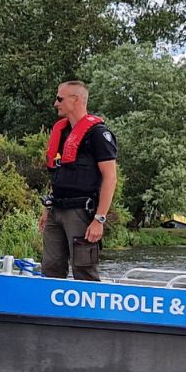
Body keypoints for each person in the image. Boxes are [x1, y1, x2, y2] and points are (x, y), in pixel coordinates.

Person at [40, 80, 118, 281]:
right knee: (50, 267)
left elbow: (110, 178)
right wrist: (46, 209)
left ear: (75, 100)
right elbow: (56, 174)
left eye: (59, 99)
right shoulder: (61, 132)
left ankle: (88, 312)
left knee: (84, 271)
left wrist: (99, 219)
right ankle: (48, 311)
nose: (55, 104)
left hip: (81, 212)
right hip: (56, 210)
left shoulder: (99, 134)